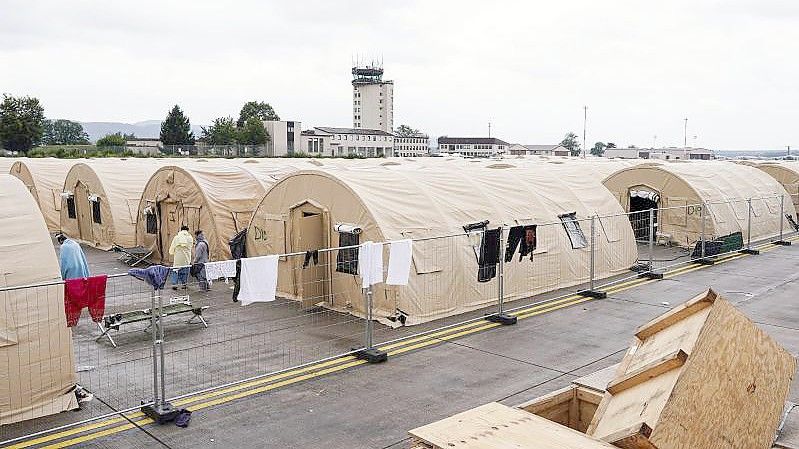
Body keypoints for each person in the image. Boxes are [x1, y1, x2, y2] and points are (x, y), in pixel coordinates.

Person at [169, 225, 193, 290]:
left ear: (181, 230)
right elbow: (190, 247)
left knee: (175, 270)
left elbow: (172, 247)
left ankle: (174, 284)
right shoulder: (190, 237)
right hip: (186, 257)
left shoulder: (176, 237)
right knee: (185, 271)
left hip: (178, 258)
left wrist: (172, 252)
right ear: (187, 230)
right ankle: (184, 284)